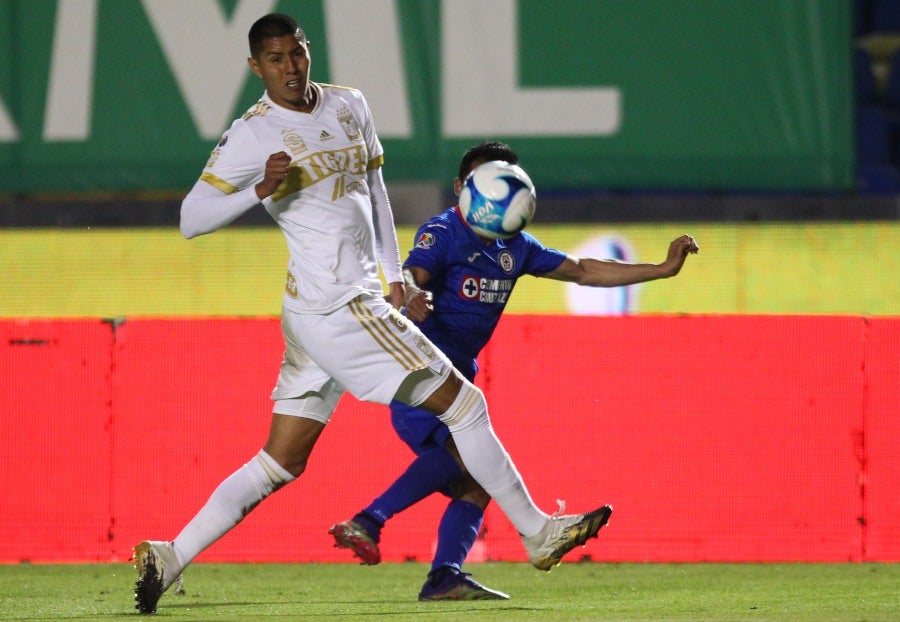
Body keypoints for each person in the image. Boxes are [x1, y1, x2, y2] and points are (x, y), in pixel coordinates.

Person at [132, 14, 613, 615]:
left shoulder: (348, 106)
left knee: (280, 461)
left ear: (308, 52)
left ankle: (170, 554)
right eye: (275, 60)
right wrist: (258, 189)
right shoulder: (252, 135)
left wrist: (396, 279)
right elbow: (190, 218)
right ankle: (538, 533)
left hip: (330, 305)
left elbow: (375, 194)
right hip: (336, 306)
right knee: (467, 404)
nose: (289, 68)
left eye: (296, 54)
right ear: (255, 67)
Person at [329, 141, 699, 601]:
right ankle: (368, 520)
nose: (499, 196)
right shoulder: (442, 232)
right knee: (469, 460)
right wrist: (411, 296)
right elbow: (410, 280)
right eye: (488, 184)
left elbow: (583, 270)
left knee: (477, 482)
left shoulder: (516, 246)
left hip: (458, 376)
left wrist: (661, 269)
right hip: (420, 373)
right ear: (463, 188)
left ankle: (443, 576)